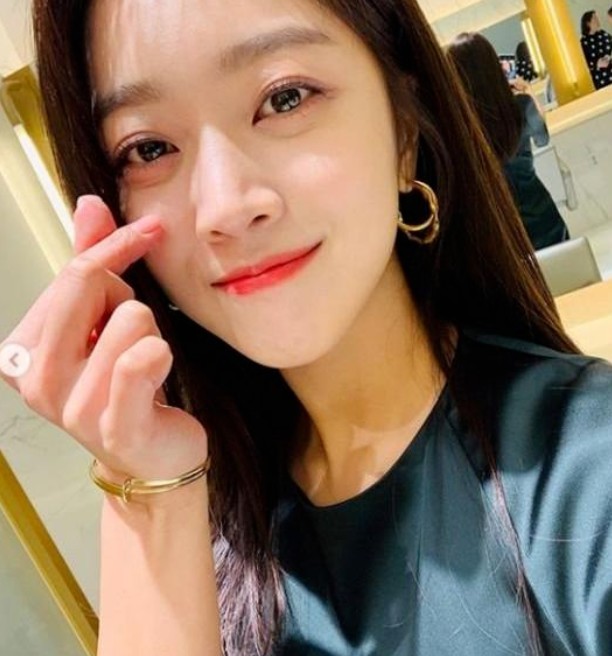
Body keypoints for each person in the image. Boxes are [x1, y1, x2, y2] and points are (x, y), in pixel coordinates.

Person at [1, 1, 611, 655]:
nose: (225, 207)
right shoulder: (199, 516)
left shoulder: (587, 478)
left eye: (285, 98)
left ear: (404, 128)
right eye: (149, 149)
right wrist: (146, 488)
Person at [447, 32, 570, 251]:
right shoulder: (521, 106)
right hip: (541, 213)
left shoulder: (458, 127)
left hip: (500, 227)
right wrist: (530, 94)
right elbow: (542, 139)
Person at [580, 10, 612, 89]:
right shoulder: (583, 42)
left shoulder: (603, 34)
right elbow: (583, 63)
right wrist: (596, 64)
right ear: (588, 23)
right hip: (600, 80)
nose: (598, 20)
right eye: (595, 18)